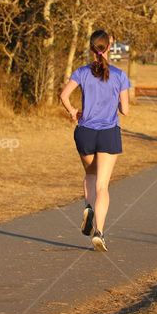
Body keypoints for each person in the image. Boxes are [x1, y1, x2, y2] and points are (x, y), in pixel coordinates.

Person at [59, 30, 131, 252]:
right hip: (108, 133)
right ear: (110, 46)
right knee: (103, 185)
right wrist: (115, 104)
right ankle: (99, 232)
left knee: (90, 174)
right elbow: (125, 110)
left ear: (92, 48)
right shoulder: (119, 75)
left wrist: (73, 111)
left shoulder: (81, 72)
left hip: (85, 133)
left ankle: (88, 207)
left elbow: (63, 96)